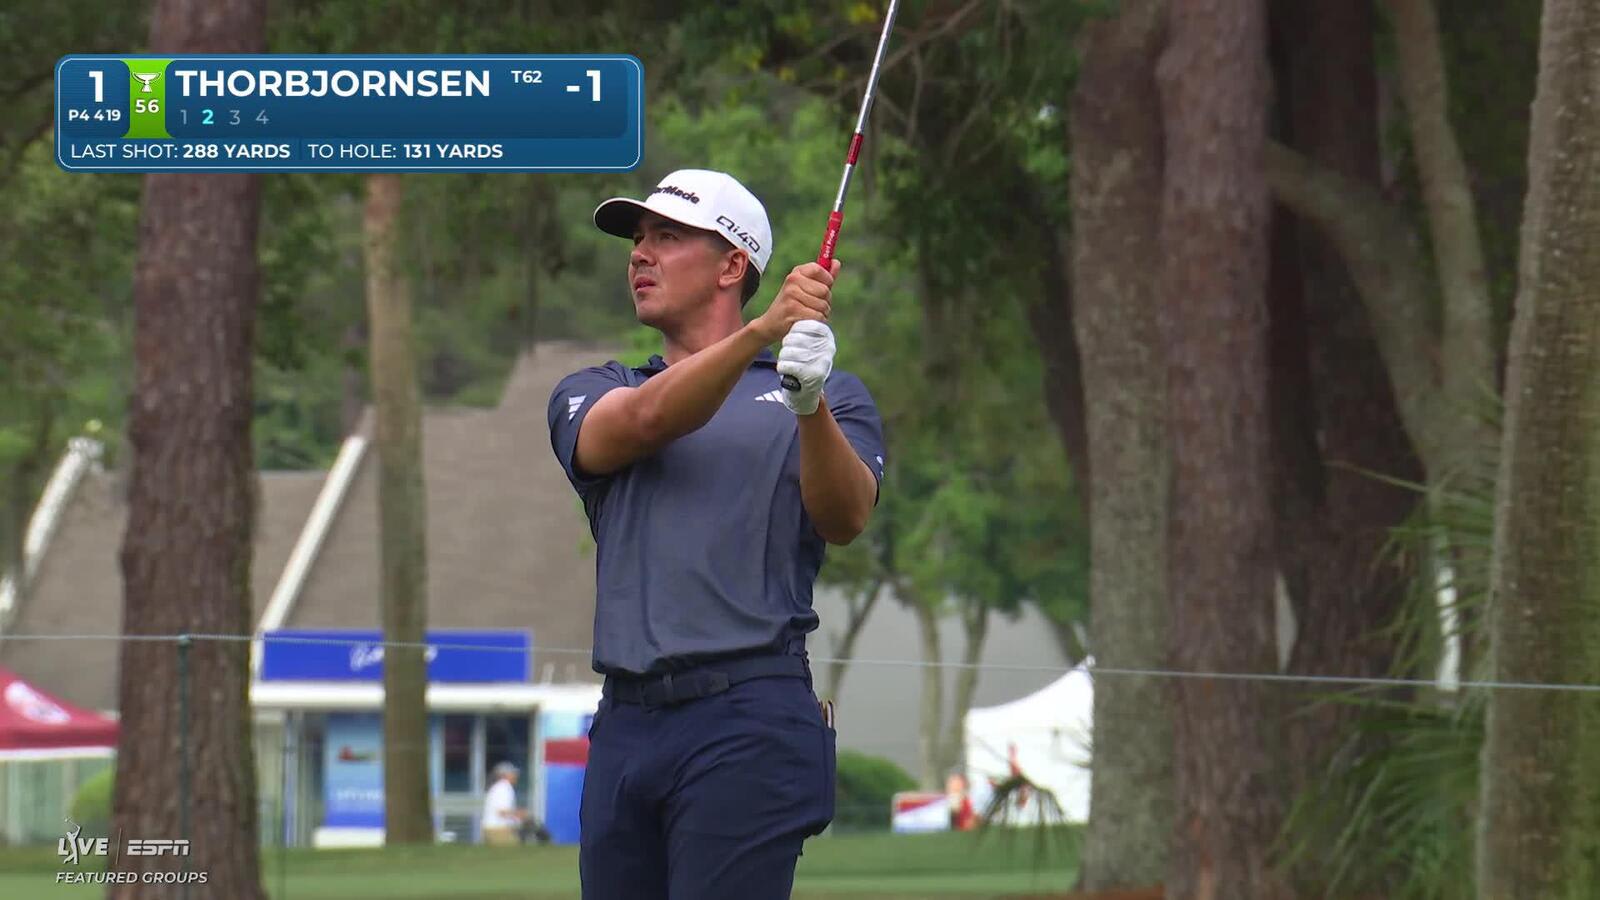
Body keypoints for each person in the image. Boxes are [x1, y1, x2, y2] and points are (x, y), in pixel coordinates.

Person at [547, 168, 886, 900]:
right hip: (625, 725)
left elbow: (846, 516)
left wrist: (808, 404)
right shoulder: (595, 390)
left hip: (749, 717)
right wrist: (764, 331)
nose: (640, 253)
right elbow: (642, 424)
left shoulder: (826, 393)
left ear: (733, 265)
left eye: (667, 237)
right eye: (638, 240)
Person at [481, 761, 526, 846]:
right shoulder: (504, 788)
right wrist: (520, 814)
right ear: (505, 775)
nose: (516, 775)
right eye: (513, 773)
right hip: (498, 829)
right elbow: (502, 812)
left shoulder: (498, 787)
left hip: (492, 828)